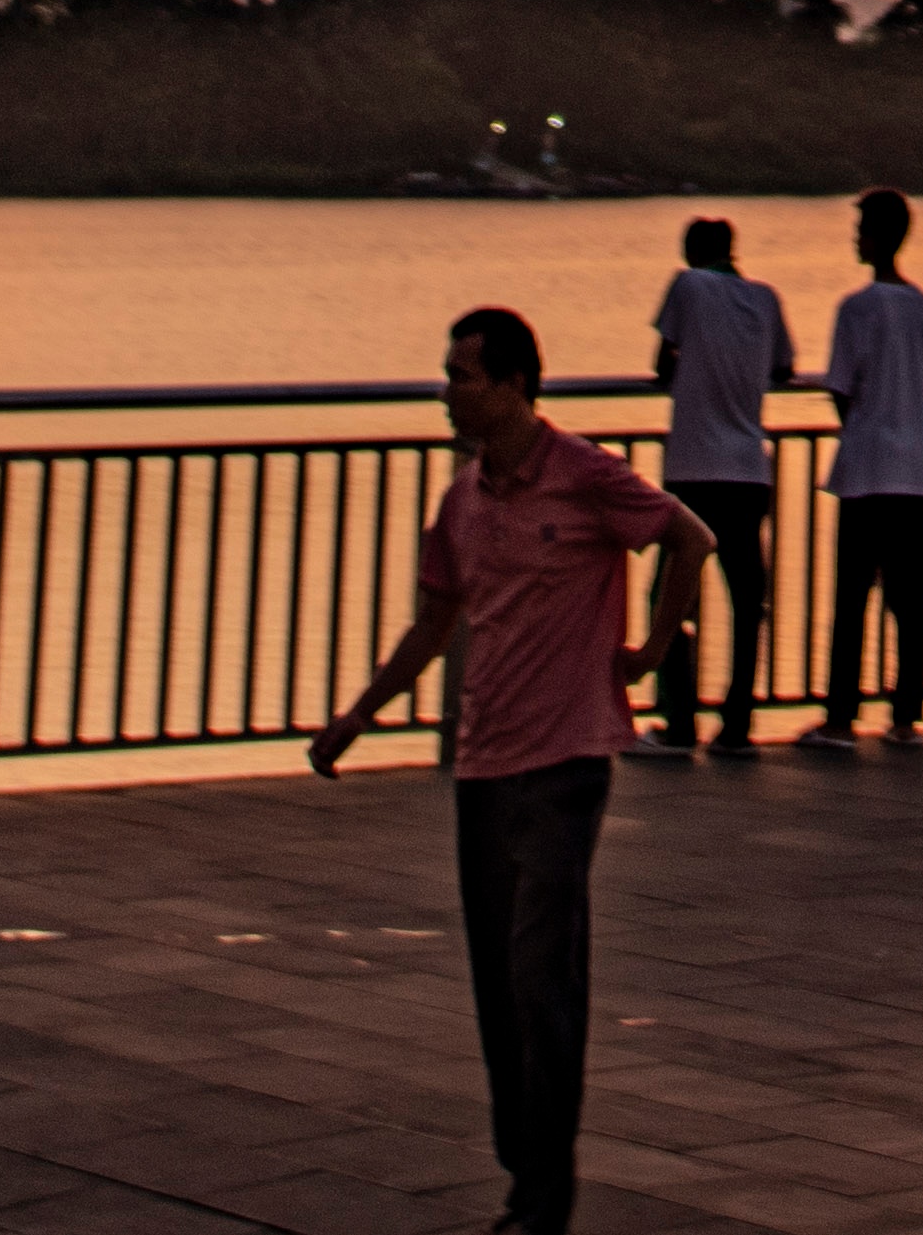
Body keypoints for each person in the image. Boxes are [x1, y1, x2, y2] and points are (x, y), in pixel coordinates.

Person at [310, 306, 707, 1235]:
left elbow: (687, 536)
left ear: (516, 383)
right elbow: (432, 621)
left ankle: (542, 1201)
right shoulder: (463, 500)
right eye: (447, 374)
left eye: (463, 376)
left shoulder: (586, 475)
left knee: (543, 977)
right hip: (484, 763)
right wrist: (356, 719)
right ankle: (525, 1166)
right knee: (498, 982)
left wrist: (649, 646)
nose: (448, 392)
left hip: (566, 761)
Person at [644, 214, 791, 764]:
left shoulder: (688, 285)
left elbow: (662, 363)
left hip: (693, 471)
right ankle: (736, 728)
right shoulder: (766, 298)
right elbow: (783, 367)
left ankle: (679, 721)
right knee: (747, 599)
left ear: (690, 254)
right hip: (749, 470)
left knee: (669, 597)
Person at [803, 186, 923, 754]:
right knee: (908, 599)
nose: (856, 238)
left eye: (861, 229)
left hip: (865, 467)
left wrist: (860, 423)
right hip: (912, 466)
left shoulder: (856, 308)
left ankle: (841, 717)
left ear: (879, 235)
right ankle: (906, 715)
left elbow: (841, 386)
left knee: (852, 595)